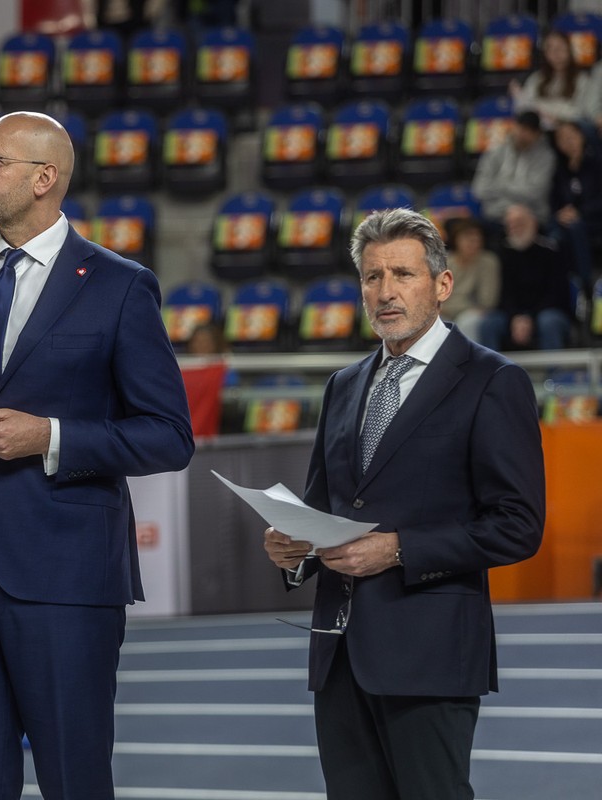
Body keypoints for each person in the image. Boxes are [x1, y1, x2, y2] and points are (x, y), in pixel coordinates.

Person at [0, 111, 195, 800]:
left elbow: (169, 435)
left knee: (74, 781)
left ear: (45, 178)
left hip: (67, 580)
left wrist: (47, 436)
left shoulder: (118, 285)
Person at [263, 208, 545, 800]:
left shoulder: (493, 381)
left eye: (402, 274)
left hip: (430, 652)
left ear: (441, 285)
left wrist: (397, 550)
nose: (386, 291)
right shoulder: (342, 385)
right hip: (339, 655)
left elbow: (517, 526)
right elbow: (324, 506)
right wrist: (295, 549)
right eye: (372, 277)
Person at [479, 203, 575, 351]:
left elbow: (557, 294)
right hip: (511, 315)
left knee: (549, 321)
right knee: (489, 323)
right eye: (510, 225)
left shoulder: (551, 252)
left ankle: (555, 373)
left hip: (546, 312)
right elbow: (502, 294)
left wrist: (529, 317)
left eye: (520, 223)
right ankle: (493, 373)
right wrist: (516, 317)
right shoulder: (501, 254)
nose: (515, 228)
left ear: (534, 224)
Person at [471, 109, 556, 226]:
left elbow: (534, 194)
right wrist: (510, 204)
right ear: (514, 126)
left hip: (531, 214)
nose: (523, 134)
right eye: (521, 128)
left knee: (518, 216)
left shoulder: (546, 157)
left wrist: (500, 185)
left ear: (537, 134)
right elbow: (479, 189)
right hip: (496, 213)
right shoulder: (495, 151)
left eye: (529, 131)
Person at [549, 117, 602, 290]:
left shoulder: (596, 161)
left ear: (582, 136)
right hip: (572, 221)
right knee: (554, 233)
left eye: (571, 136)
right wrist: (559, 213)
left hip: (596, 219)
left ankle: (585, 283)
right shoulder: (560, 169)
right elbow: (554, 199)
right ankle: (562, 286)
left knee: (574, 227)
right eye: (562, 139)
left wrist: (580, 212)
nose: (567, 142)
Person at [509, 29, 599, 130]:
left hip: (570, 131)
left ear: (569, 51)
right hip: (541, 130)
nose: (556, 54)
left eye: (560, 48)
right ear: (545, 54)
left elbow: (580, 113)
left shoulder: (582, 80)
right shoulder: (536, 78)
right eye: (551, 50)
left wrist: (547, 110)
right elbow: (525, 109)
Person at [441, 216, 501, 343]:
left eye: (476, 239)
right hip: (446, 311)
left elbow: (487, 301)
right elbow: (437, 295)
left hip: (474, 312)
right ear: (456, 240)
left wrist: (451, 307)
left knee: (467, 322)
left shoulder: (488, 261)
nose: (473, 242)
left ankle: (467, 363)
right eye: (467, 238)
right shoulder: (446, 261)